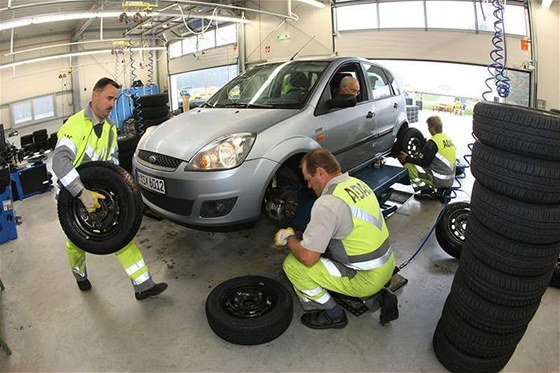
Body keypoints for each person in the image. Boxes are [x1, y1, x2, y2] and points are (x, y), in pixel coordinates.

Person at [52, 77, 168, 300]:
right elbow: (60, 162)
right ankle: (80, 275)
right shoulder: (74, 125)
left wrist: (120, 190)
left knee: (121, 237)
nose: (113, 104)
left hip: (101, 195)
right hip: (73, 197)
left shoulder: (110, 128)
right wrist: (82, 194)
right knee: (76, 242)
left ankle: (143, 285)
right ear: (95, 96)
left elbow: (112, 162)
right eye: (109, 98)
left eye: (115, 99)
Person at [274, 149, 398, 330]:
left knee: (293, 265)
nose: (309, 186)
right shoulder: (357, 184)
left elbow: (309, 258)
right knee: (331, 250)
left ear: (321, 173)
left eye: (309, 179)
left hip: (366, 277)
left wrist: (289, 238)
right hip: (386, 265)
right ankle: (379, 297)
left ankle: (332, 314)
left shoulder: (328, 203)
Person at [398, 115, 456, 201]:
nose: (428, 129)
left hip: (438, 179)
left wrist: (406, 158)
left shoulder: (432, 143)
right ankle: (442, 189)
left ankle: (425, 191)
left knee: (409, 166)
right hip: (449, 180)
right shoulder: (448, 139)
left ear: (432, 127)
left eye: (428, 127)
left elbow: (423, 162)